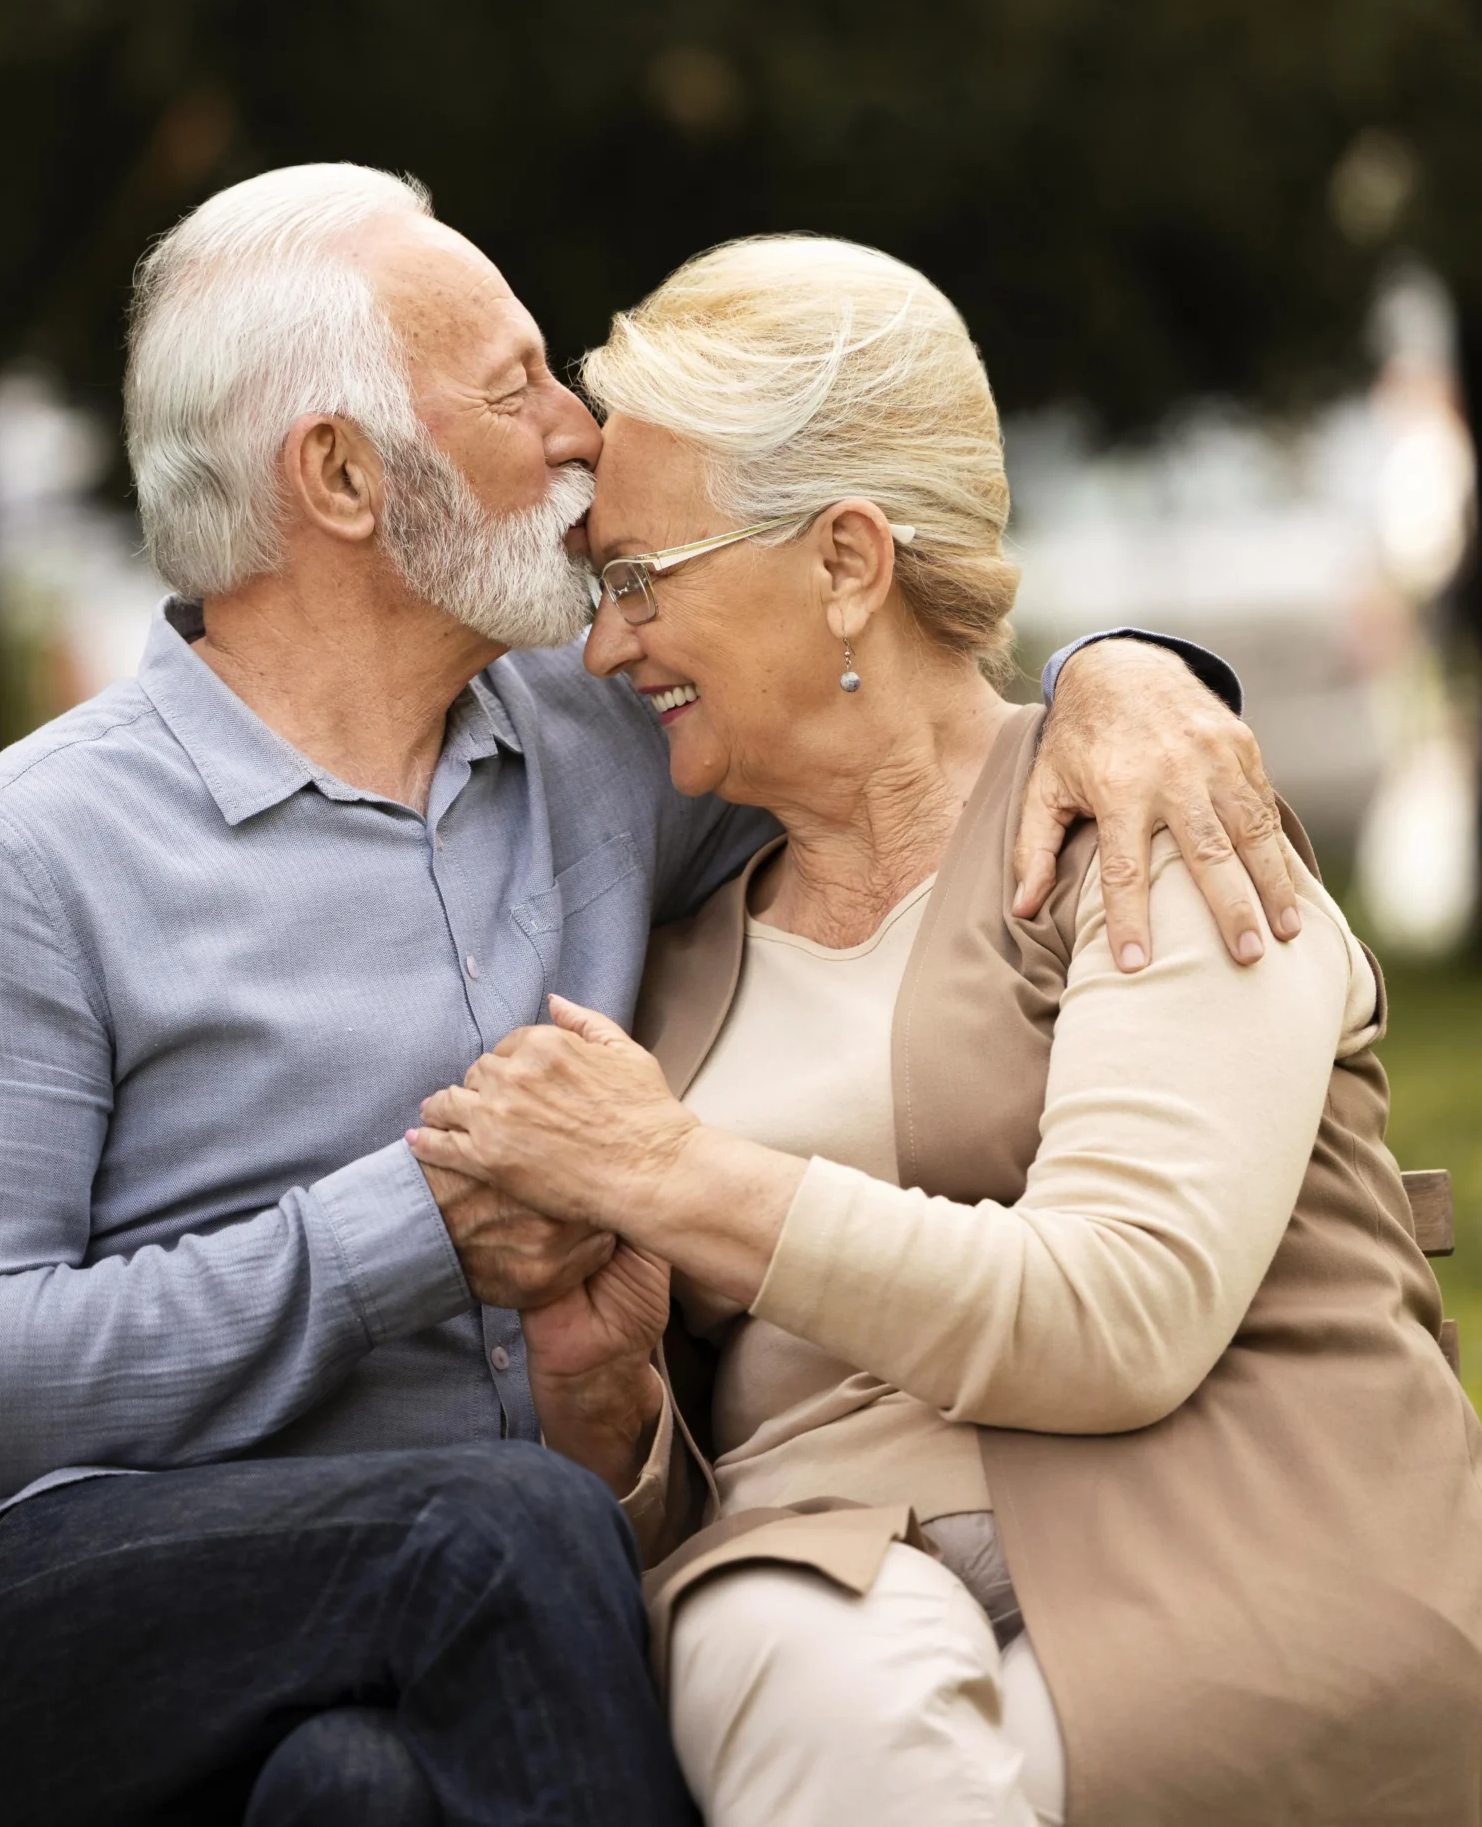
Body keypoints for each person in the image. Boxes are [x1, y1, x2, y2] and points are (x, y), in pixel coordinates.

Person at [0, 168, 1292, 1827]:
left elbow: (895, 699)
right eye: (515, 381)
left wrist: (1132, 673)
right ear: (339, 473)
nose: (581, 429)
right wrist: (411, 1234)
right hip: (69, 1626)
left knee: (358, 1794)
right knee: (506, 1526)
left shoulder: (607, 741)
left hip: (481, 1656)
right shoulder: (31, 857)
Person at [410, 233, 1482, 1827]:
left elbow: (1120, 1312)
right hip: (819, 1608)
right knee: (805, 1680)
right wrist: (607, 1397)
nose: (604, 646)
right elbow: (676, 1489)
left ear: (847, 561)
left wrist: (670, 1172)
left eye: (635, 579)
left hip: (1227, 1550)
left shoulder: (1147, 824)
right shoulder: (674, 967)